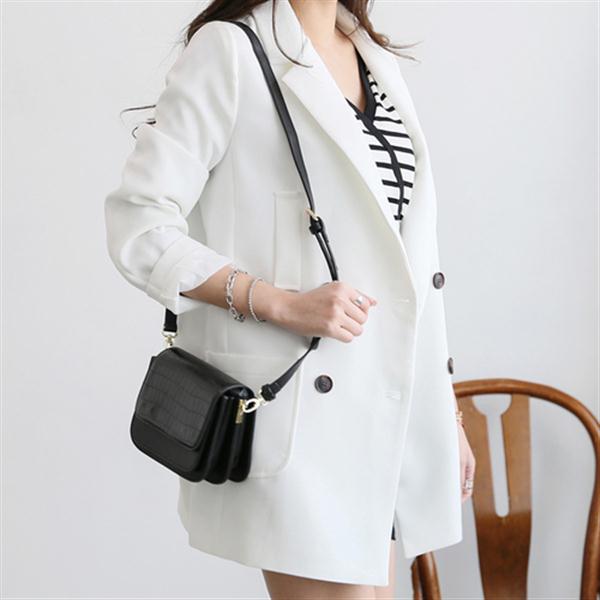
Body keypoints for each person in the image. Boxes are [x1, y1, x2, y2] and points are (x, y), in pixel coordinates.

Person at [104, 0, 476, 598]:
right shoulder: (231, 50)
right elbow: (139, 225)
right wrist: (276, 302)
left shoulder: (373, 58)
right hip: (301, 415)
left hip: (383, 418)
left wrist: (444, 411)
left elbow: (411, 270)